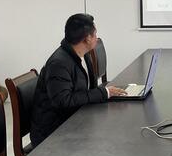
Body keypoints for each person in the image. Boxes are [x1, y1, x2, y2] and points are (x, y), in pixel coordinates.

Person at [30, 14, 126, 147]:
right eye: (95, 34)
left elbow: (88, 89)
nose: (97, 38)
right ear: (87, 38)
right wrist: (104, 93)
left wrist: (106, 93)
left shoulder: (82, 54)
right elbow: (63, 100)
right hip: (53, 133)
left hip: (74, 119)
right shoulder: (59, 64)